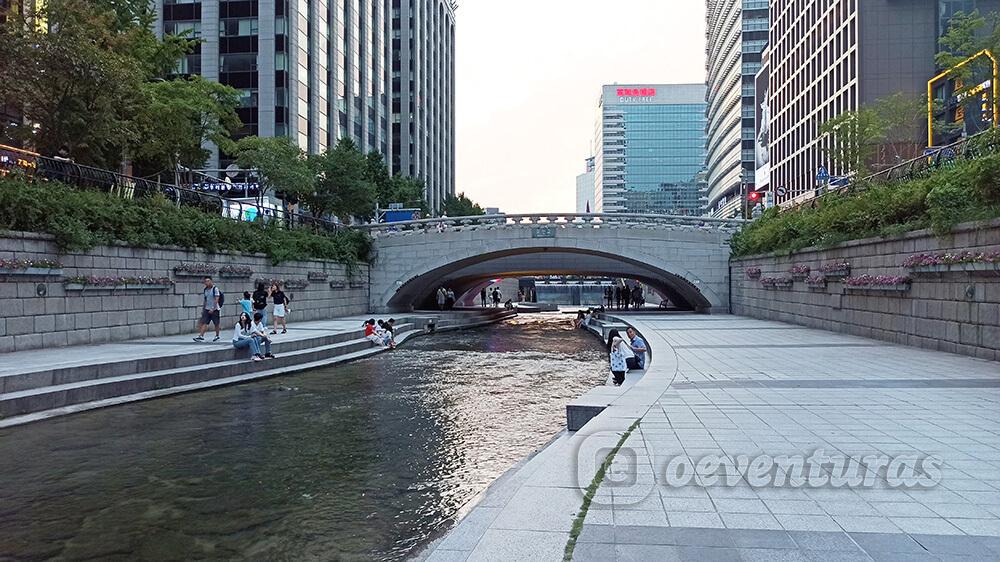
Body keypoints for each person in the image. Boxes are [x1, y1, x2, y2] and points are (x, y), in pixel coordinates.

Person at [194, 276, 222, 342]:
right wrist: (204, 308)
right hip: (207, 308)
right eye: (205, 281)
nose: (207, 283)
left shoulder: (215, 289)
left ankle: (217, 336)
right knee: (204, 322)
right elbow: (206, 300)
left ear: (211, 281)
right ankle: (201, 336)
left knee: (216, 323)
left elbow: (216, 299)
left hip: (215, 309)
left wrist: (212, 308)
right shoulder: (205, 290)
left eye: (208, 281)